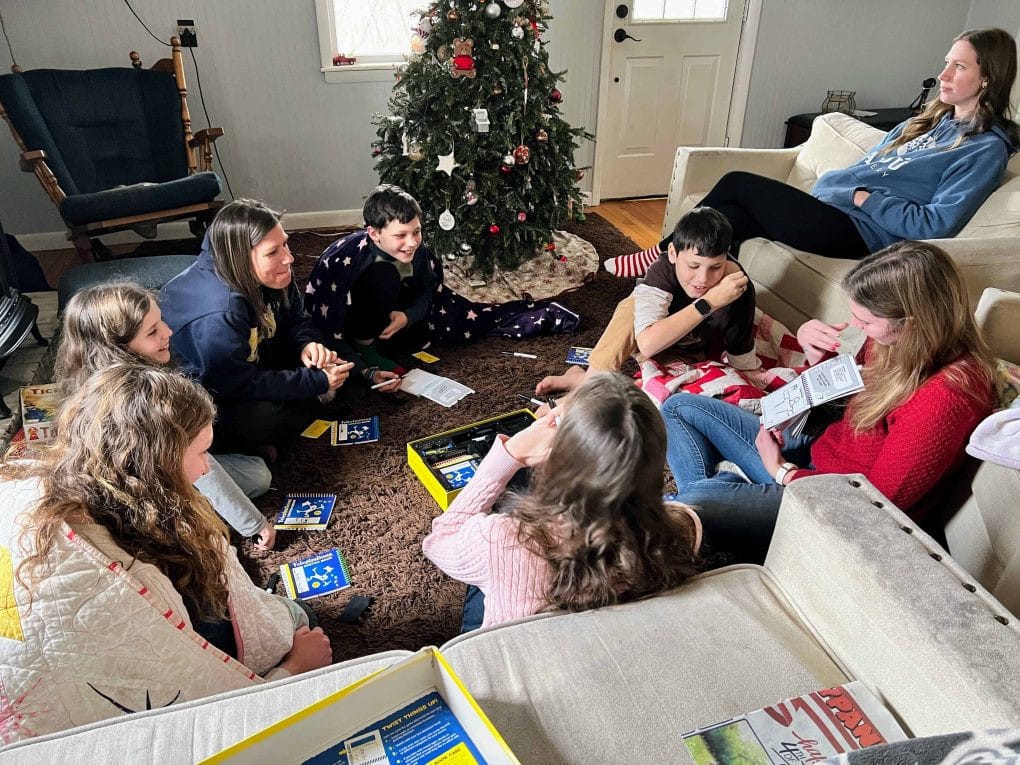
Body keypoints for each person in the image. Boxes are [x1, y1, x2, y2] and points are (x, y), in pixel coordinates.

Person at [0, 365, 332, 740]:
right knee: (301, 617)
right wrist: (291, 671)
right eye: (202, 453)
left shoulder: (36, 481)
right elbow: (198, 705)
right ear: (158, 462)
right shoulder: (134, 573)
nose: (207, 466)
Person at [661, 241, 995, 563]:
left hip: (832, 500)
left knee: (697, 499)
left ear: (913, 322)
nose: (857, 328)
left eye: (865, 322)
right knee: (679, 406)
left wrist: (781, 472)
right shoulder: (895, 342)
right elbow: (838, 405)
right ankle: (716, 514)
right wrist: (816, 358)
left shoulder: (947, 396)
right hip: (816, 454)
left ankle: (713, 512)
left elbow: (877, 503)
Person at [606, 28, 1020, 278]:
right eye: (947, 63)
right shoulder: (927, 121)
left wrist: (862, 197)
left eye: (959, 67)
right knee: (729, 220)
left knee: (737, 183)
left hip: (863, 234)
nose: (944, 75)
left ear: (988, 78)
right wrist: (847, 188)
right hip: (834, 209)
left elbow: (936, 224)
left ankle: (663, 255)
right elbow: (868, 166)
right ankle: (679, 298)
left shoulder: (984, 150)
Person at [422, 372, 702, 631]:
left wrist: (510, 454)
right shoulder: (684, 529)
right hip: (605, 641)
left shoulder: (502, 537)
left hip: (518, 655)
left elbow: (440, 539)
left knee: (481, 570)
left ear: (560, 462)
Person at [55, 281, 276, 549]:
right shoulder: (146, 401)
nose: (168, 332)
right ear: (117, 346)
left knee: (250, 470)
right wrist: (253, 523)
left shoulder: (87, 381)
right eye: (152, 332)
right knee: (256, 476)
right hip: (150, 498)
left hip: (150, 481)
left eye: (162, 321)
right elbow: (204, 473)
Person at [161, 199, 356, 456]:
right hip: (213, 395)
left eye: (285, 243)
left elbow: (298, 318)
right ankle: (241, 445)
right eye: (273, 252)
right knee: (264, 418)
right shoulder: (219, 314)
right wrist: (315, 382)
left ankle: (305, 400)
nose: (289, 258)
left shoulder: (273, 274)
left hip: (250, 360)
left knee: (328, 358)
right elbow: (234, 386)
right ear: (241, 258)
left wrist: (307, 344)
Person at [536, 207, 758, 397]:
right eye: (693, 266)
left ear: (726, 257)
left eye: (715, 267)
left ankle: (582, 380)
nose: (703, 279)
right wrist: (708, 302)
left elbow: (741, 358)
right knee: (631, 307)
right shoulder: (662, 269)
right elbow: (648, 344)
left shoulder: (738, 289)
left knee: (658, 398)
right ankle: (585, 389)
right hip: (647, 340)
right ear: (672, 253)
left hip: (685, 357)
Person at [304, 184, 439, 378]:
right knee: (385, 274)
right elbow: (327, 315)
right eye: (400, 235)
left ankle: (387, 342)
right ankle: (365, 346)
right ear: (374, 233)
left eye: (416, 232)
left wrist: (408, 316)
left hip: (393, 312)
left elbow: (427, 289)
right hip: (353, 316)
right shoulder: (344, 257)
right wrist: (361, 367)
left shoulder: (417, 250)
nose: (412, 243)